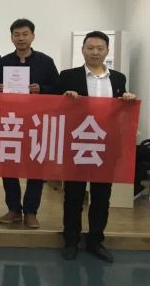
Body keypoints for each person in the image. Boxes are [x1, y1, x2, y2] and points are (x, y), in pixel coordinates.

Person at [57, 31, 136, 263]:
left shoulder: (118, 78)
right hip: (77, 144)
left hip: (106, 145)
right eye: (90, 48)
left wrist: (128, 98)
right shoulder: (68, 76)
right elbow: (54, 108)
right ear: (82, 50)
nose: (95, 52)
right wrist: (65, 98)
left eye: (100, 48)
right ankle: (71, 240)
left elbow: (121, 110)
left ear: (107, 51)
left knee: (102, 195)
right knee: (73, 194)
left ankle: (95, 240)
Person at [0, 18, 59, 229]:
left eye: (25, 34)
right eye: (16, 35)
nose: (21, 38)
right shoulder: (3, 62)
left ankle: (31, 211)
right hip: (10, 122)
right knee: (8, 167)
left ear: (33, 36)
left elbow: (58, 88)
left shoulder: (45, 62)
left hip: (36, 122)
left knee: (36, 168)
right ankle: (14, 209)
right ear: (11, 37)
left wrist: (42, 89)